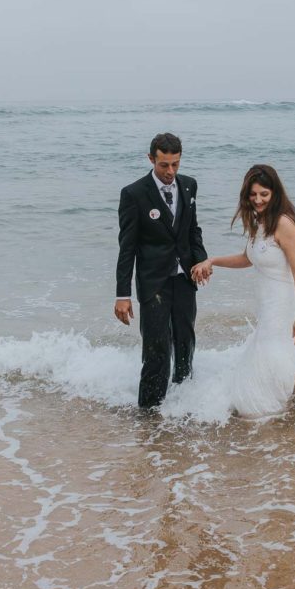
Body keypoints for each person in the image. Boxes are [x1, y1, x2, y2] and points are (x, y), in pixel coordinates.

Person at [191, 164, 295, 417]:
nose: (258, 200)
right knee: (267, 358)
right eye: (253, 194)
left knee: (273, 358)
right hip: (267, 307)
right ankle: (284, 412)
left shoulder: (283, 224)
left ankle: (273, 415)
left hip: (283, 308)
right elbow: (247, 258)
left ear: (275, 193)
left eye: (264, 194)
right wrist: (212, 261)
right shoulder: (260, 222)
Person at [115, 133, 209, 409]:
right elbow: (127, 248)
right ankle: (148, 417)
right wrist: (123, 294)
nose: (170, 172)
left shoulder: (189, 186)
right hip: (153, 283)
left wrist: (201, 261)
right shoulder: (134, 193)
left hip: (185, 279)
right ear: (151, 159)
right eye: (164, 165)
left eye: (175, 165)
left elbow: (193, 230)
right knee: (156, 350)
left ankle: (182, 409)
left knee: (185, 342)